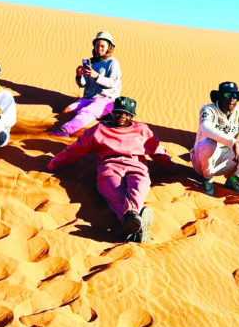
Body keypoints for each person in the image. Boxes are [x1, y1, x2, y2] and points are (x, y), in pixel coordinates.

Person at [46, 96, 175, 242]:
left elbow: (156, 149)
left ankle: (130, 221)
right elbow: (75, 149)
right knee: (112, 190)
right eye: (118, 112)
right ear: (112, 113)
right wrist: (55, 164)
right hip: (109, 166)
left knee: (140, 186)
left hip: (136, 165)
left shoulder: (142, 129)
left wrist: (169, 165)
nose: (122, 116)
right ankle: (134, 223)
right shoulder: (98, 130)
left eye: (126, 113)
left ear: (132, 116)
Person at [49, 31, 121, 137]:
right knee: (66, 111)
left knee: (86, 112)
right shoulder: (92, 62)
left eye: (102, 46)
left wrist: (97, 76)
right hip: (88, 97)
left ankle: (64, 130)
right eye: (97, 46)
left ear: (109, 47)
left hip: (105, 99)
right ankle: (102, 114)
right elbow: (83, 84)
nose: (99, 49)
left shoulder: (113, 63)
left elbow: (113, 83)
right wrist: (79, 76)